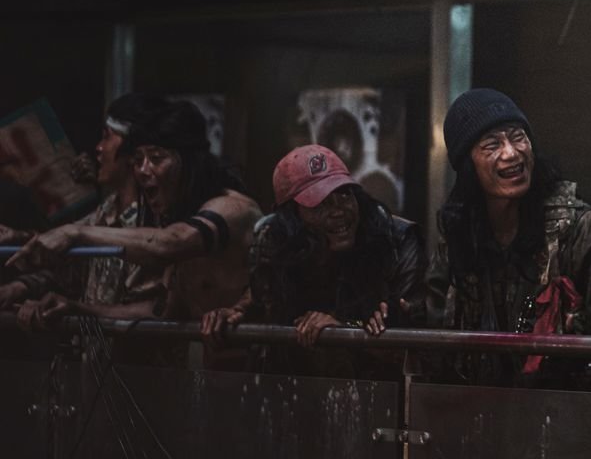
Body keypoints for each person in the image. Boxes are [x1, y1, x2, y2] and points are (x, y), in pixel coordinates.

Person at [426, 88, 591, 386]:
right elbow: (433, 334)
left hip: (563, 410)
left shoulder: (580, 227)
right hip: (476, 412)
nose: (511, 153)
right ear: (468, 165)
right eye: (491, 145)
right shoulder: (459, 234)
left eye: (518, 137)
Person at [7, 100, 261, 331]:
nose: (143, 170)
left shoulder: (230, 209)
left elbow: (170, 243)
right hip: (204, 374)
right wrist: (77, 308)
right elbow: (162, 313)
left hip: (253, 372)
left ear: (189, 162)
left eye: (157, 158)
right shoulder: (172, 218)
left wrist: (75, 232)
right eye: (138, 159)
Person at [200, 144, 423, 373]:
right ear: (291, 217)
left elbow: (406, 345)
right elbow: (265, 303)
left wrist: (343, 328)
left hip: (376, 387)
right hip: (295, 384)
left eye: (345, 195)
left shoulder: (395, 239)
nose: (338, 211)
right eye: (320, 203)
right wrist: (236, 313)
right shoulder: (273, 239)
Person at [4, 93, 169, 324]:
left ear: (133, 151)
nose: (98, 148)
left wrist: (79, 309)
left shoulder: (158, 220)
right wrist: (20, 286)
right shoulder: (106, 211)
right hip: (95, 356)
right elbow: (71, 270)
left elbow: (161, 309)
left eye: (107, 137)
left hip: (138, 359)